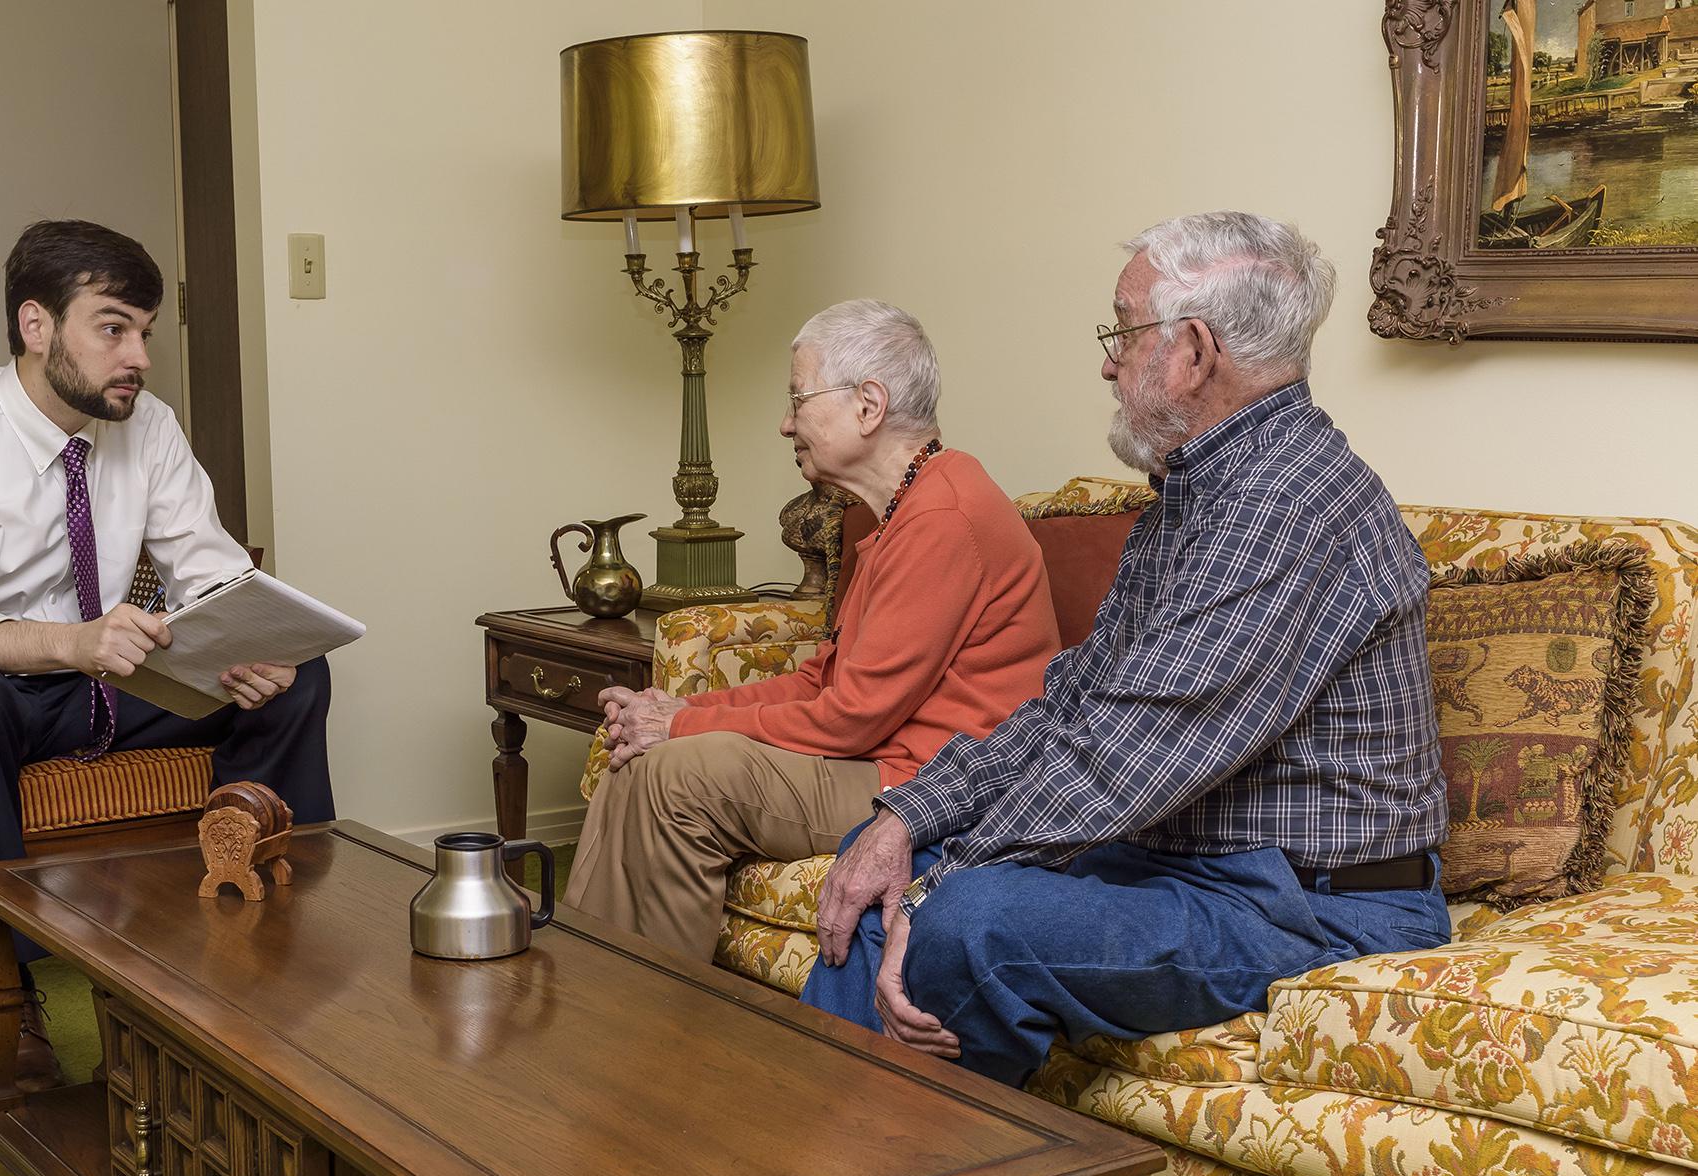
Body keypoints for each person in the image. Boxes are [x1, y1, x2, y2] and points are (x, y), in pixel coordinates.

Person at [802, 212, 1450, 1085]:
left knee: (967, 916)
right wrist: (910, 816)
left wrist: (938, 881)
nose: (1108, 360)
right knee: (879, 859)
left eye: (1123, 331)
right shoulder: (1199, 492)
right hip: (1193, 868)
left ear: (1191, 350)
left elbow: (1127, 757)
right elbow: (1077, 708)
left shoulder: (1288, 505)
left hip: (1313, 908)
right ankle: (818, 1158)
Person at [0, 219, 332, 1085]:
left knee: (292, 678)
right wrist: (70, 641)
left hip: (81, 687)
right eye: (113, 328)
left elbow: (210, 571)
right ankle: (9, 990)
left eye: (144, 332)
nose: (136, 355)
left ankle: (256, 932)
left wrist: (245, 641)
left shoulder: (150, 428)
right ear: (36, 326)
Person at [566, 300, 1061, 961]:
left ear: (868, 405)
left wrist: (680, 728)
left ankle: (659, 1028)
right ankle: (593, 1003)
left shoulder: (943, 515)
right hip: (879, 758)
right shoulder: (908, 506)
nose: (784, 423)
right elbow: (819, 680)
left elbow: (850, 718)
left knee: (674, 776)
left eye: (799, 400)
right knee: (639, 762)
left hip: (926, 785)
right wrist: (682, 707)